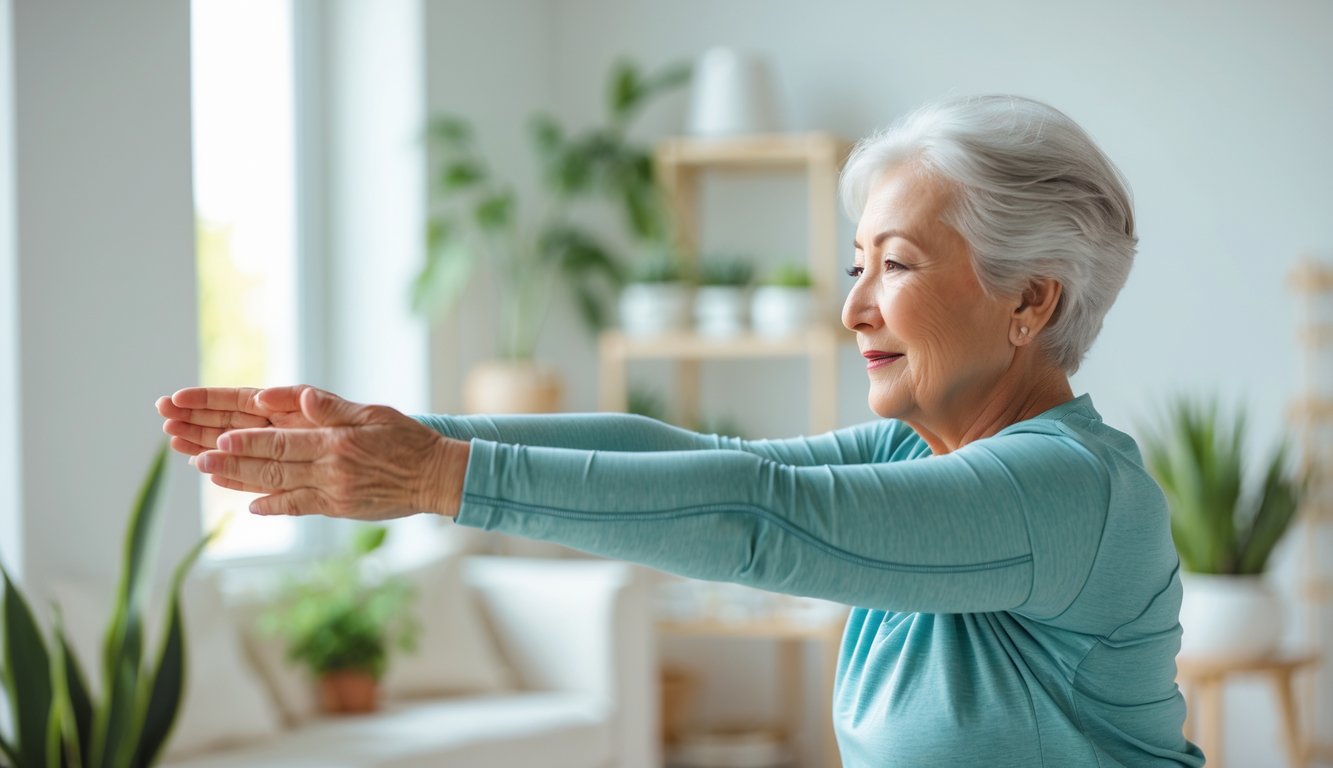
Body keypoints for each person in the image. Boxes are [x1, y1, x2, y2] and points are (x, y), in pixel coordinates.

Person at [157, 94, 1205, 767]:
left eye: (895, 265)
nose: (852, 309)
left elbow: (758, 520)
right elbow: (706, 464)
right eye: (856, 266)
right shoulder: (923, 449)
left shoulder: (1067, 493)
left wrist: (439, 477)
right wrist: (402, 437)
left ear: (1029, 300)